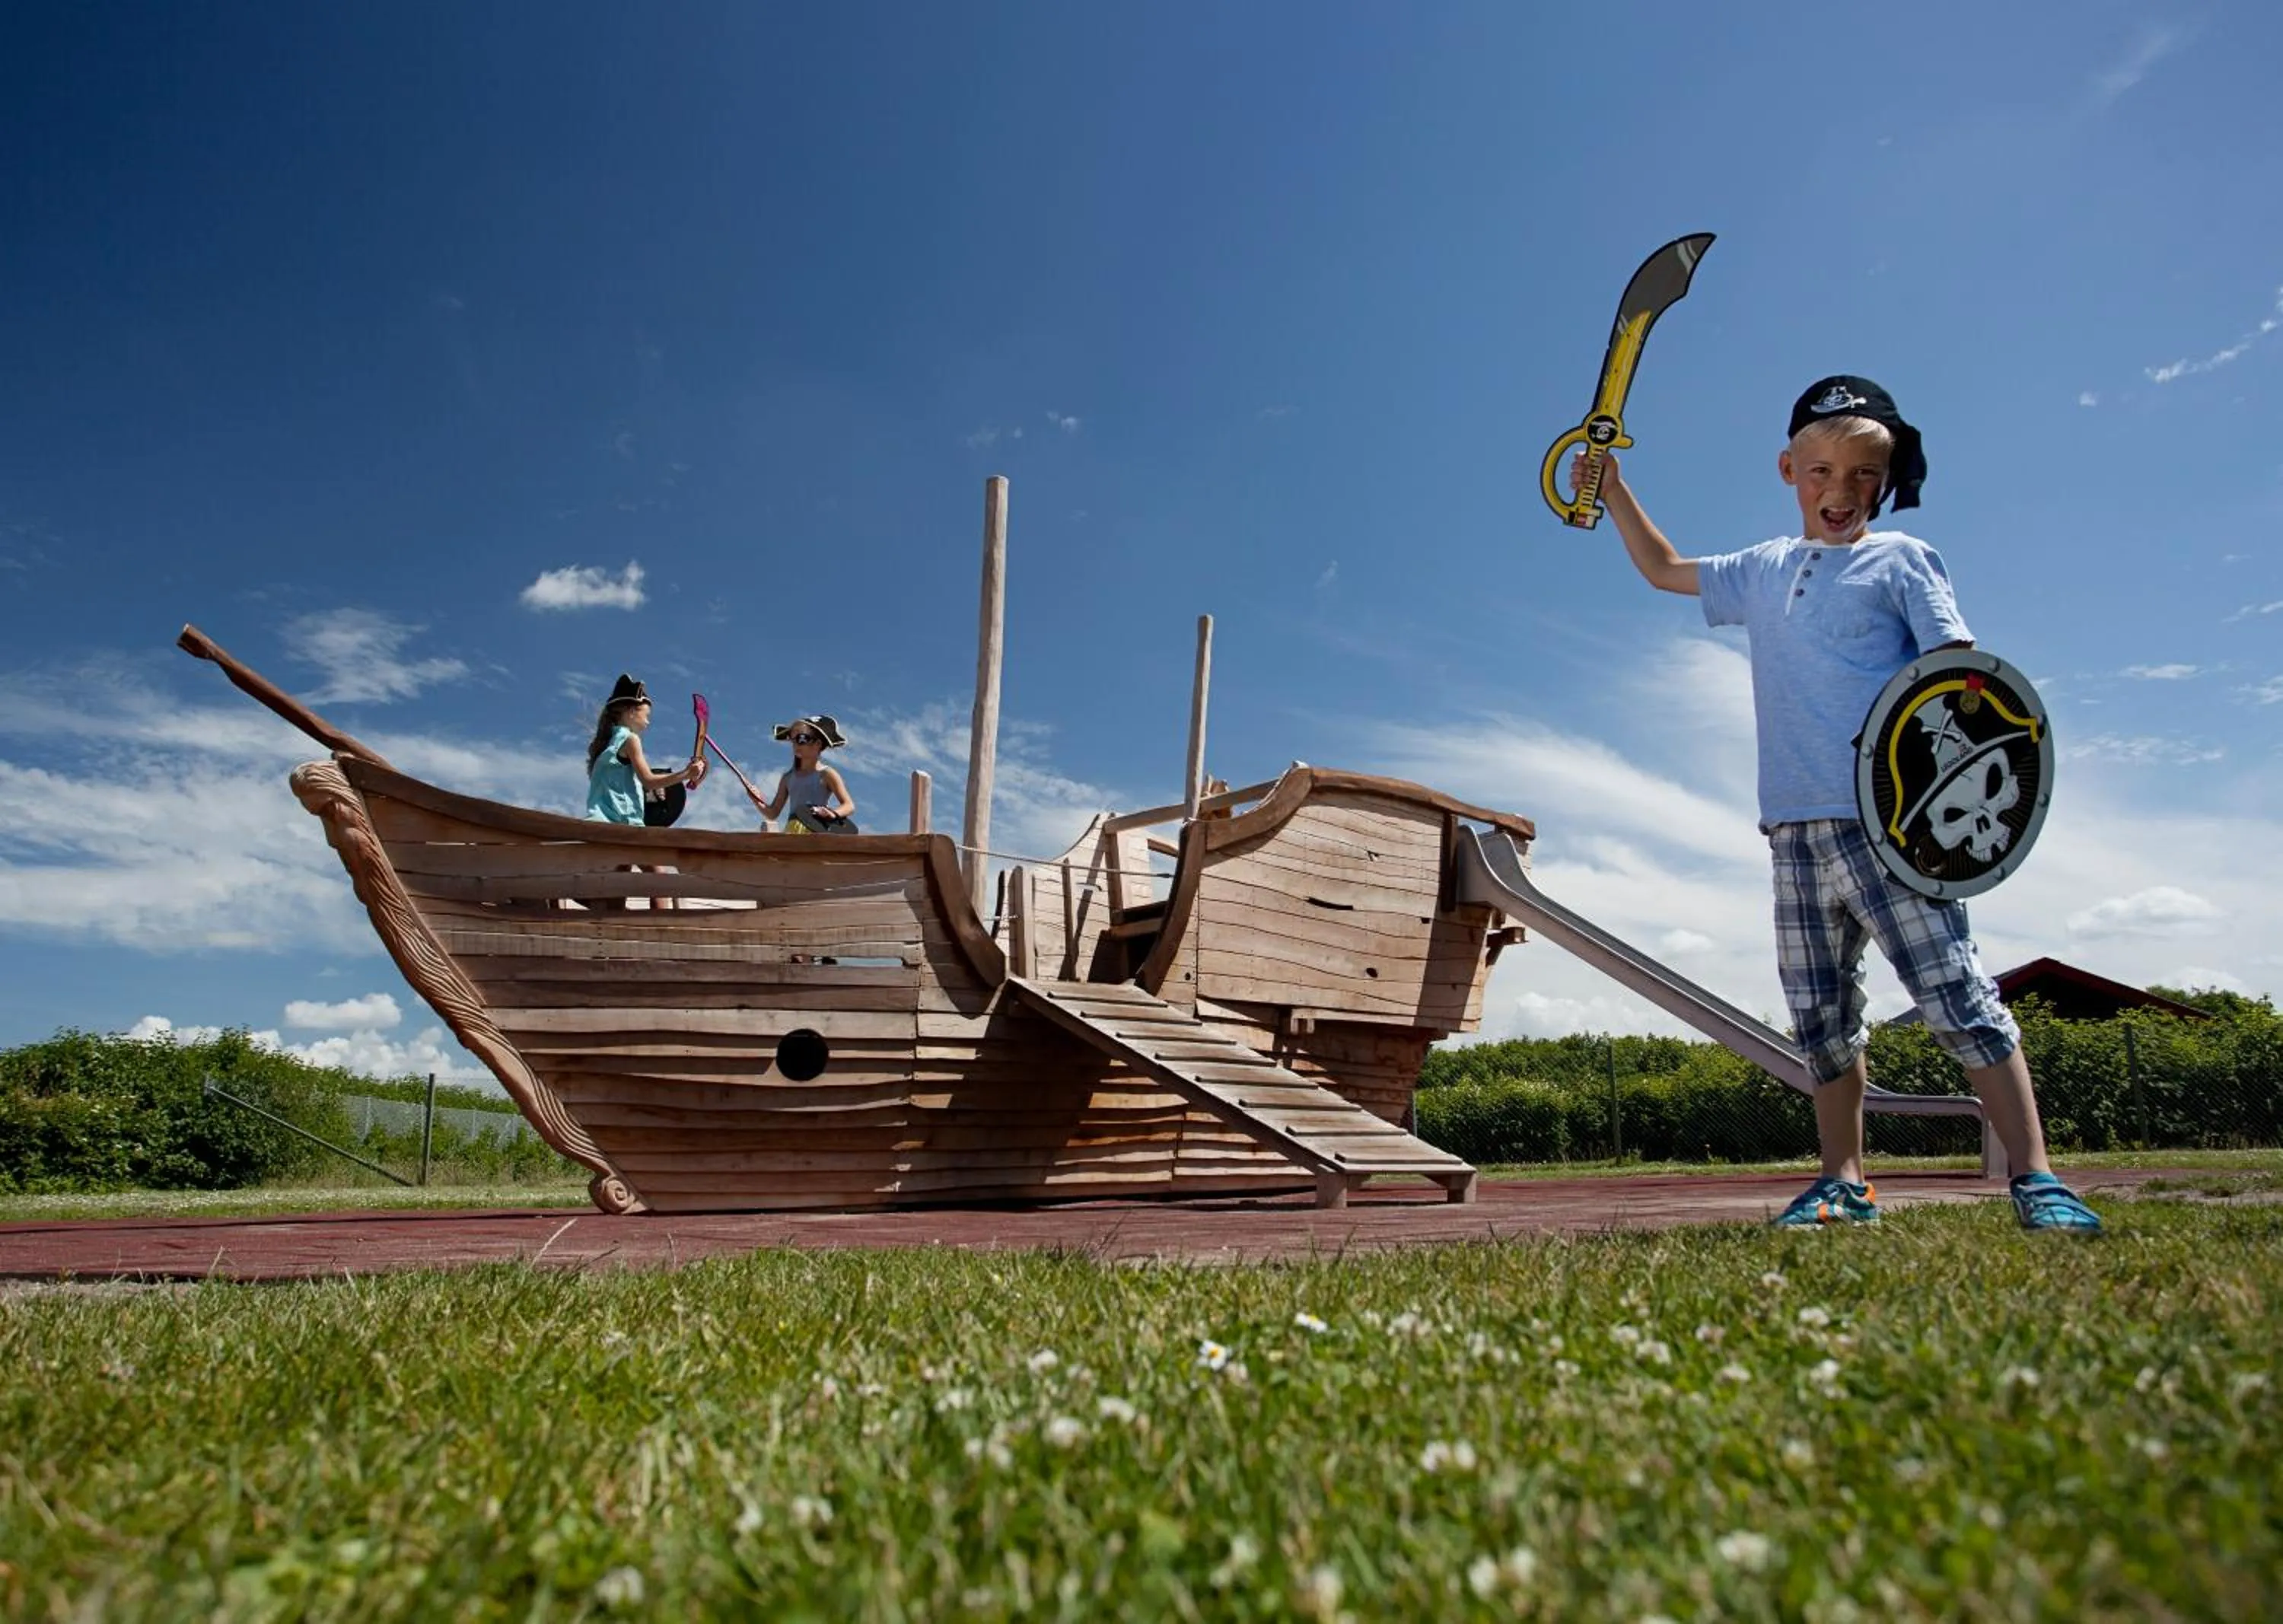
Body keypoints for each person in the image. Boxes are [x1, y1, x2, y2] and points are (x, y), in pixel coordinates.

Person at [1580, 374, 2101, 1233]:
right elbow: (1664, 569)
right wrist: (1615, 489)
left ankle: (2037, 1178)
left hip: (1892, 826)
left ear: (1886, 482)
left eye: (1865, 474)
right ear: (1789, 468)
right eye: (1822, 470)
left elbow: (1959, 680)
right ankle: (1844, 1183)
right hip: (1791, 828)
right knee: (1820, 1015)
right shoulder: (1760, 570)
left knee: (1956, 995)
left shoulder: (1900, 558)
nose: (1843, 490)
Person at [584, 673, 704, 825]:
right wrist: (687, 773)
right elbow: (649, 781)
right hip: (622, 822)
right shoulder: (630, 739)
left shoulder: (608, 743)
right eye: (646, 716)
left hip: (599, 820)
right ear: (632, 712)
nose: (648, 722)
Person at [747, 715, 858, 833]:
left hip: (816, 830)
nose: (796, 745)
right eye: (793, 739)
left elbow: (849, 805)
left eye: (802, 739)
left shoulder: (827, 774)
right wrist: (756, 800)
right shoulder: (788, 777)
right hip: (792, 831)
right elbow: (773, 813)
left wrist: (833, 813)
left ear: (818, 744)